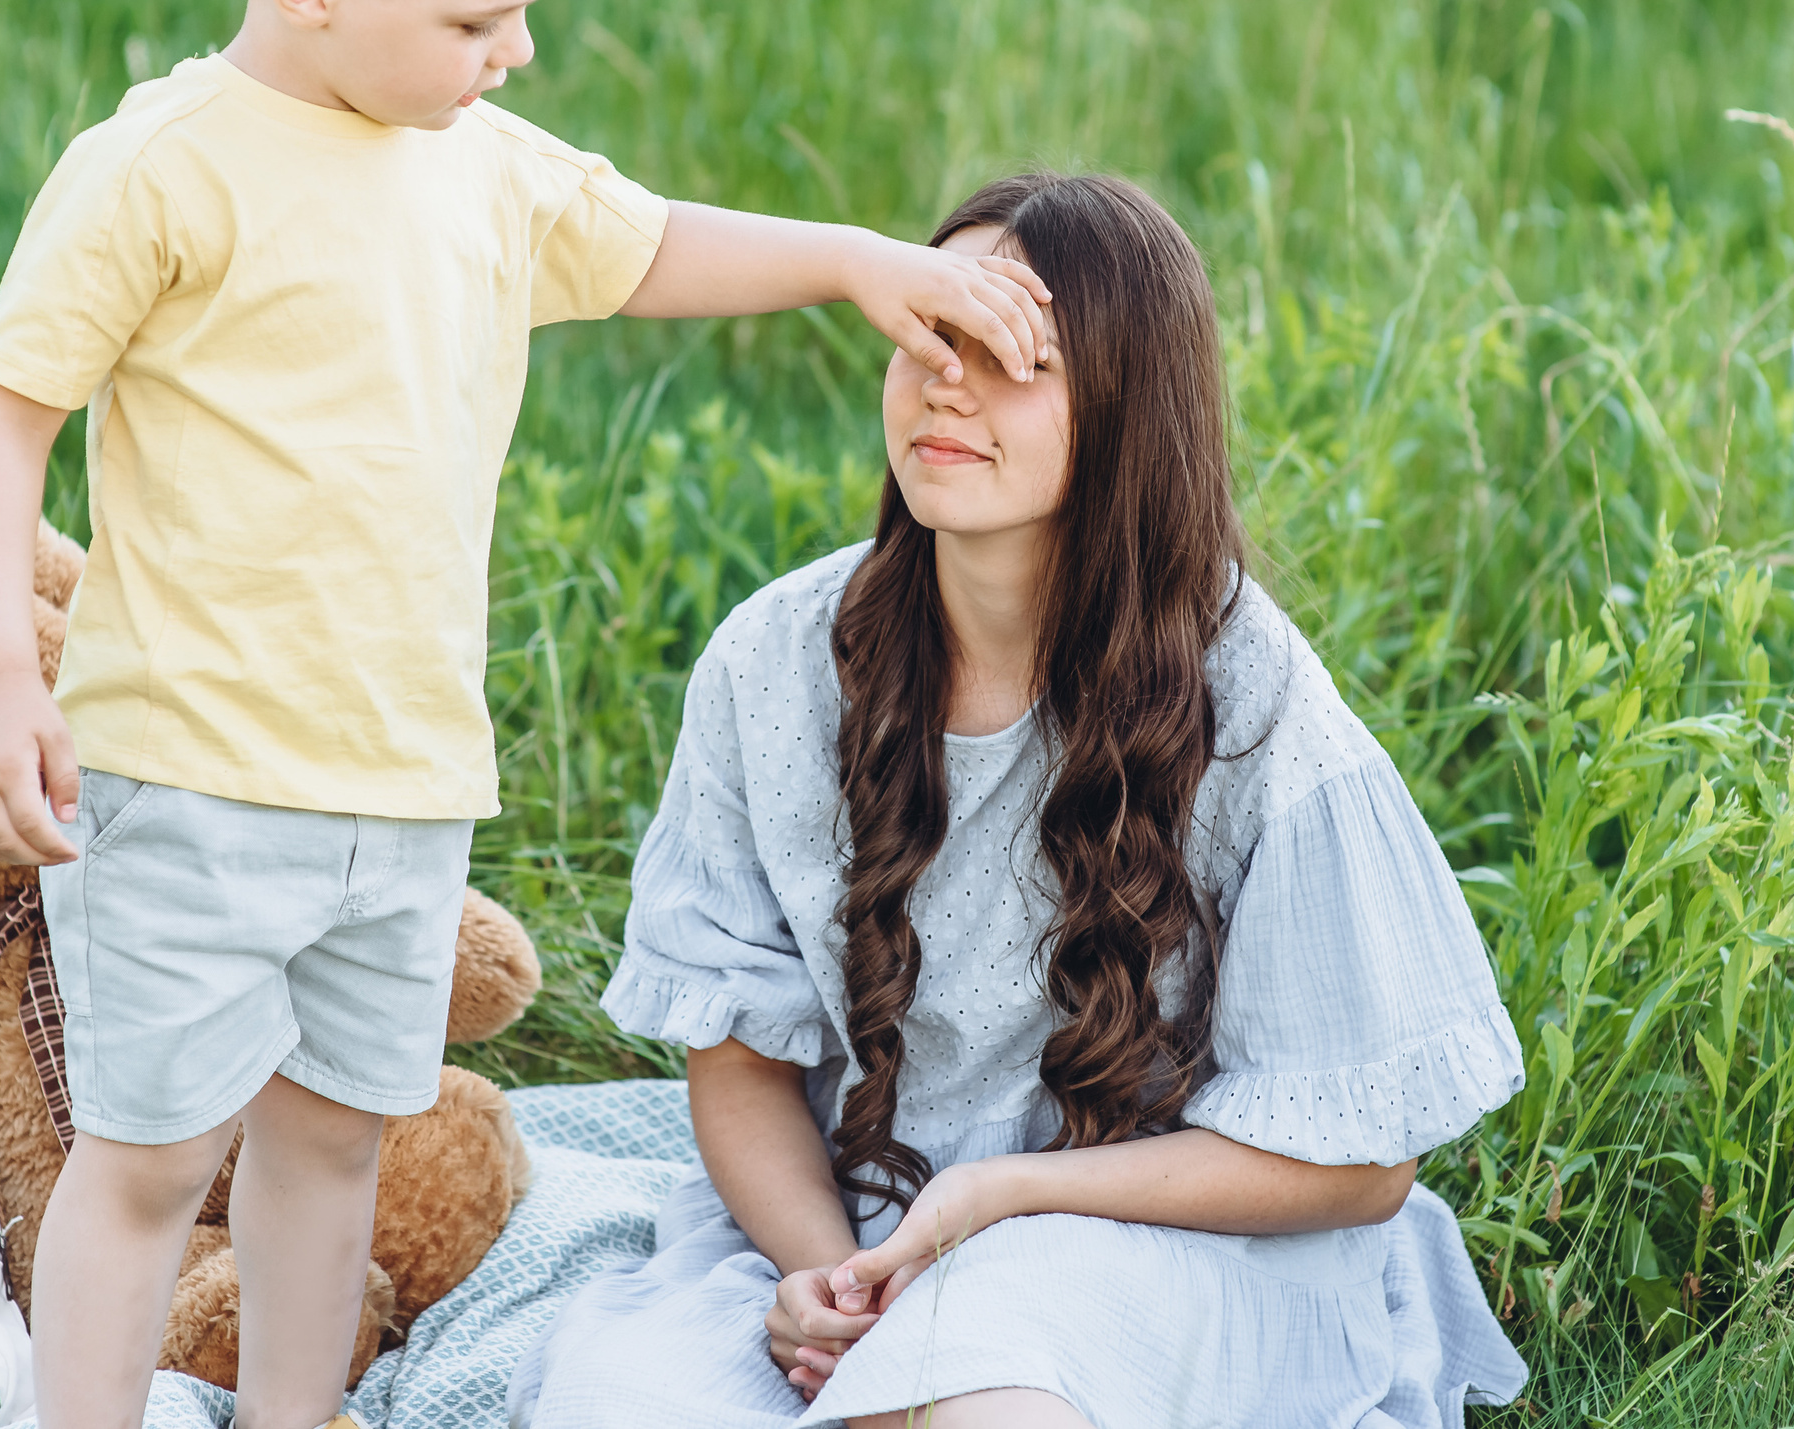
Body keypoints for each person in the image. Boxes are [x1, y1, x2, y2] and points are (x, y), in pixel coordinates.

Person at [0, 0, 1054, 1426]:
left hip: (402, 781)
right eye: (475, 18)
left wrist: (856, 263)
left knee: (332, 1146)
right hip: (189, 774)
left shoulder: (483, 165)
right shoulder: (164, 170)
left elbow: (657, 239)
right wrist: (5, 676)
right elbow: (1, 415)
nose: (514, 51)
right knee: (152, 1157)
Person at [510, 174, 1530, 1429]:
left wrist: (999, 1197)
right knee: (618, 1404)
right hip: (862, 1217)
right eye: (931, 337)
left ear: (1126, 409)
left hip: (1156, 1234)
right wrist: (820, 1274)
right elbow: (738, 1061)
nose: (949, 382)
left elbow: (1362, 1165)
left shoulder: (1253, 701)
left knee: (986, 1395)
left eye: (1010, 356)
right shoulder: (775, 661)